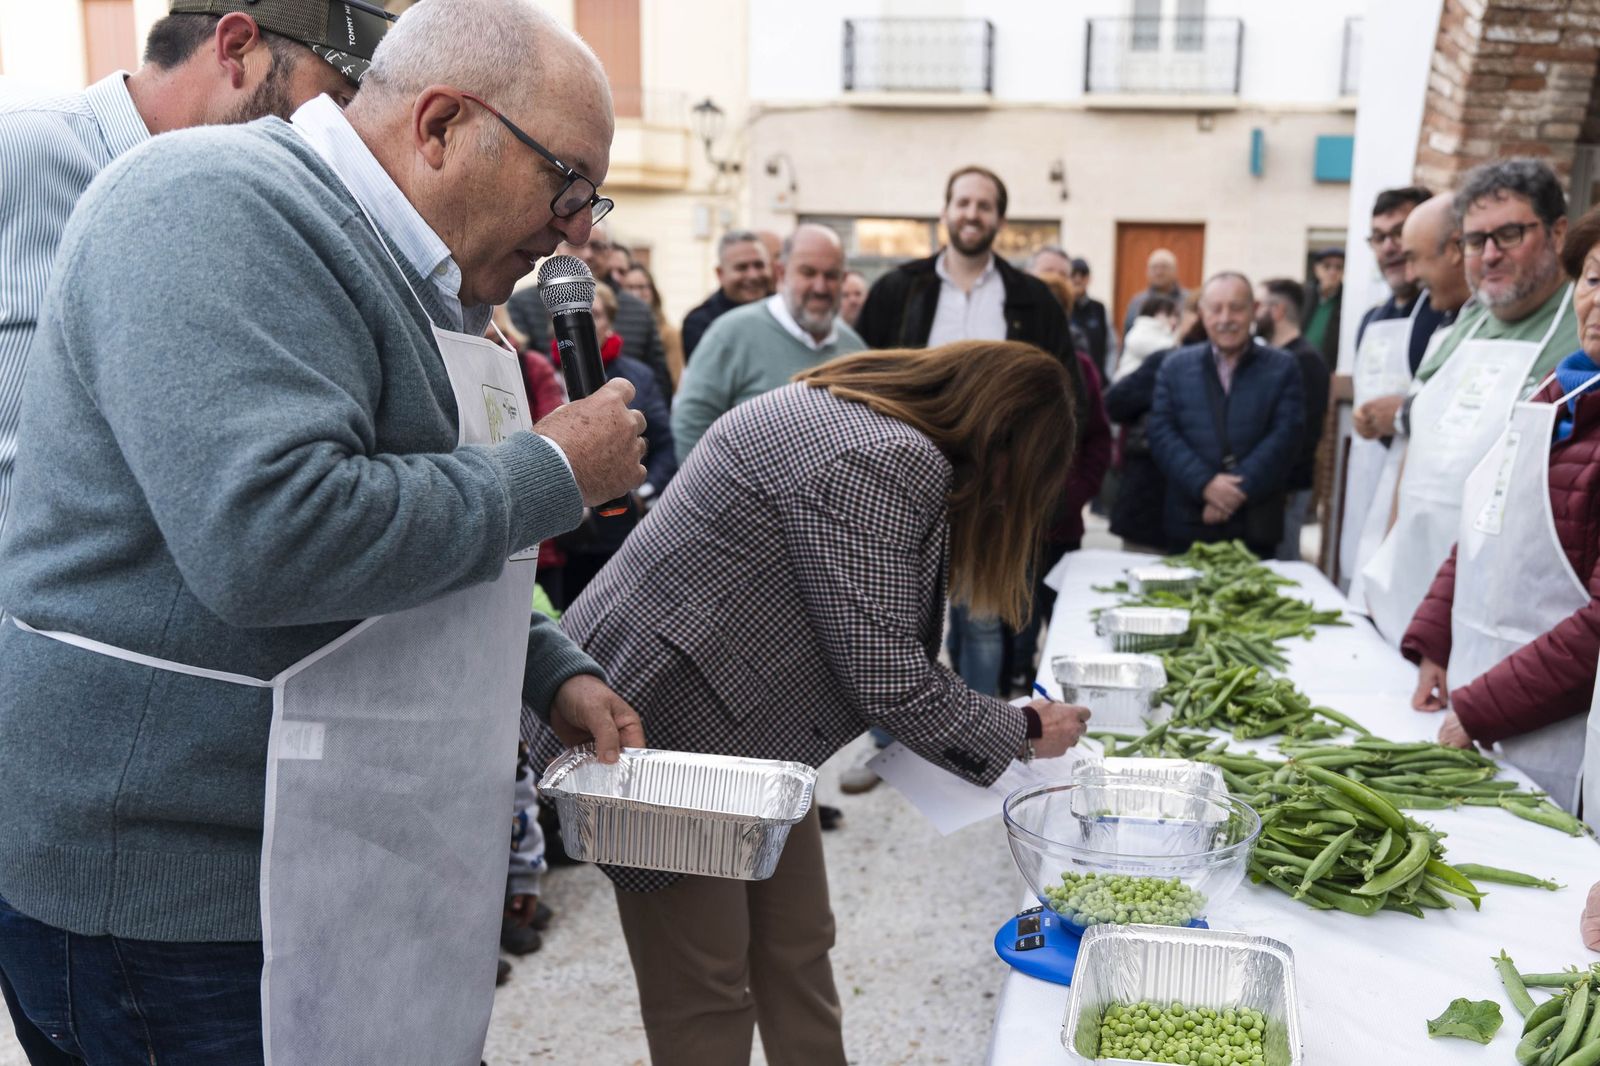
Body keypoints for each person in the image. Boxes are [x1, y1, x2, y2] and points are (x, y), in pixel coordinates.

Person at [0, 3, 649, 1063]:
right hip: (180, 901)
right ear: (439, 124)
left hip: (326, 860)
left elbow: (415, 512)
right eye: (564, 182)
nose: (579, 227)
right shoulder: (212, 207)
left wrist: (546, 668)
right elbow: (269, 539)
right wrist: (552, 472)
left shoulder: (409, 276)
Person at [533, 341, 1095, 1066]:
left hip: (751, 738)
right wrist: (1022, 728)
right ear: (1004, 442)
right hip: (656, 733)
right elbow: (890, 679)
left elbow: (873, 636)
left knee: (798, 945)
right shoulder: (888, 458)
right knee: (705, 986)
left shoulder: (855, 415)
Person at [0, 0, 392, 546]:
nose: (339, 139)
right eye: (336, 102)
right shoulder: (20, 152)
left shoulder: (263, 226)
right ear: (235, 48)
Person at [854, 164, 1088, 704]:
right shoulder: (899, 290)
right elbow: (861, 375)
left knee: (981, 618)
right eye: (963, 202)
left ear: (999, 220)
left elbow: (1059, 395)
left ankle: (981, 737)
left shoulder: (1031, 299)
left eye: (984, 205)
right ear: (945, 211)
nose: (972, 214)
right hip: (900, 479)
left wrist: (1031, 477)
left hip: (992, 487)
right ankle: (888, 742)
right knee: (890, 619)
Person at [1401, 207, 1600, 812]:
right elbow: (1490, 523)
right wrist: (1437, 638)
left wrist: (1485, 706)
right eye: (1594, 279)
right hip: (1486, 698)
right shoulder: (1556, 395)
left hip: (1564, 728)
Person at [1362, 158, 1580, 644]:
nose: (1489, 255)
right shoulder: (1464, 322)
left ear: (1558, 233)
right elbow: (1413, 454)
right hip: (1414, 586)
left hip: (1510, 606)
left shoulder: (1583, 333)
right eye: (1474, 241)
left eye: (1508, 235)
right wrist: (1383, 570)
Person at [1340, 193, 1477, 593]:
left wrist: (1402, 413)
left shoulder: (1442, 310)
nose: (1390, 248)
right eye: (1378, 237)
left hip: (1420, 487)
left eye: (1399, 235)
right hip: (1368, 478)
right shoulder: (1371, 319)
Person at [672, 224, 862, 462]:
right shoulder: (730, 333)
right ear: (781, 274)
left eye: (831, 275)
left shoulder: (854, 348)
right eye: (808, 273)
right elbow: (692, 422)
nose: (820, 287)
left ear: (844, 279)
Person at [1147, 273, 1304, 557]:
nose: (1225, 318)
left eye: (1236, 307)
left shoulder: (1283, 368)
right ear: (1201, 313)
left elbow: (1286, 437)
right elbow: (1161, 433)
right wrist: (1205, 484)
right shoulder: (1174, 367)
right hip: (1188, 521)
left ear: (1254, 310)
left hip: (1255, 526)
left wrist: (1231, 494)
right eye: (1215, 308)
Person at [1007, 272, 1112, 694]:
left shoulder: (1082, 369)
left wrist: (1072, 495)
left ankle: (1061, 695)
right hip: (1011, 527)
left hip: (1062, 524)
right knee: (1013, 618)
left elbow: (1099, 441)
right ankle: (1013, 693)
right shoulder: (1006, 365)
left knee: (1063, 614)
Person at [546, 283, 676, 608]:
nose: (589, 322)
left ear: (611, 322)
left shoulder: (637, 376)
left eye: (597, 314)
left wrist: (643, 493)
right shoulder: (544, 372)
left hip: (622, 527)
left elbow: (665, 444)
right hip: (568, 537)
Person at [504, 222, 671, 396]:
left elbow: (660, 381)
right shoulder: (523, 303)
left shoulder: (639, 311)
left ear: (609, 252)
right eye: (576, 245)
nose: (588, 254)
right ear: (559, 248)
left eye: (597, 246)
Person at [1255, 279, 1330, 561]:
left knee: (1282, 566)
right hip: (1270, 487)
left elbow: (1302, 435)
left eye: (1259, 305)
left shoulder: (1305, 361)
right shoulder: (1276, 357)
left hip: (1287, 488)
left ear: (1278, 310)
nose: (1253, 313)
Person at [682, 230, 772, 361]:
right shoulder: (700, 323)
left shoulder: (786, 312)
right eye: (742, 268)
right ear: (720, 273)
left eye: (759, 265)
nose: (753, 275)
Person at [621, 261, 686, 390]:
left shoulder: (669, 333)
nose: (636, 294)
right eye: (630, 287)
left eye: (642, 287)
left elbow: (674, 379)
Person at [1121, 247, 1188, 337]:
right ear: (1147, 272)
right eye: (1154, 267)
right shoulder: (1137, 302)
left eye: (1164, 267)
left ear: (1175, 270)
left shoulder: (1188, 300)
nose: (1159, 272)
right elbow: (1128, 333)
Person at [1115, 295, 1180, 382]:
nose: (1174, 321)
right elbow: (1168, 350)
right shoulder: (1140, 332)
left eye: (1176, 316)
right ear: (1156, 313)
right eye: (1169, 315)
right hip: (1129, 386)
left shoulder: (1162, 333)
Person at [1070, 256, 1112, 381]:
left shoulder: (1099, 309)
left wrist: (1107, 375)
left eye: (1083, 274)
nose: (1078, 279)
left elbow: (1111, 345)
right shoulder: (1062, 307)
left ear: (1088, 278)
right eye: (1073, 274)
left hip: (1096, 380)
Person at [1301, 247, 1344, 364]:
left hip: (1326, 367)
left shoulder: (1346, 301)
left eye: (1338, 267)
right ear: (1316, 269)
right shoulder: (1303, 295)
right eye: (1327, 266)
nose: (1333, 272)